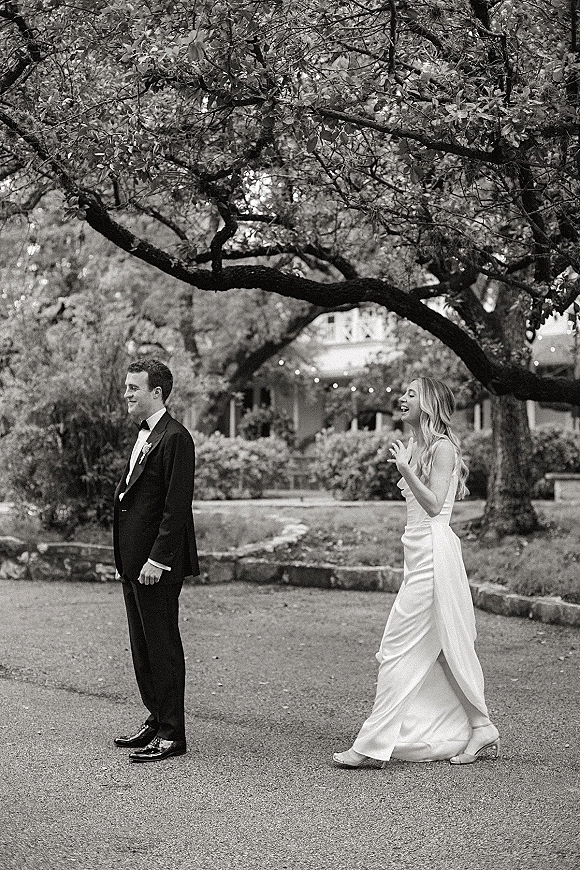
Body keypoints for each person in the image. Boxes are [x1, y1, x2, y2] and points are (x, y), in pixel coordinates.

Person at [333, 377, 499, 768]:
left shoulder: (442, 448)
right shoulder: (420, 446)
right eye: (403, 393)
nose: (402, 398)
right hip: (418, 553)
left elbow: (434, 505)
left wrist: (407, 470)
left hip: (434, 554)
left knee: (395, 648)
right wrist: (409, 463)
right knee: (439, 649)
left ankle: (369, 746)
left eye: (411, 393)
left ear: (430, 403)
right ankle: (481, 725)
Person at [112, 358, 199, 763]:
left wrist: (158, 560)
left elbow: (175, 506)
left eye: (134, 387)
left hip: (155, 566)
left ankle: (172, 733)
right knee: (141, 645)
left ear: (157, 393)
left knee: (162, 645)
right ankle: (156, 717)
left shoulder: (176, 438)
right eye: (127, 387)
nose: (127, 393)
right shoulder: (146, 435)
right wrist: (126, 558)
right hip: (133, 562)